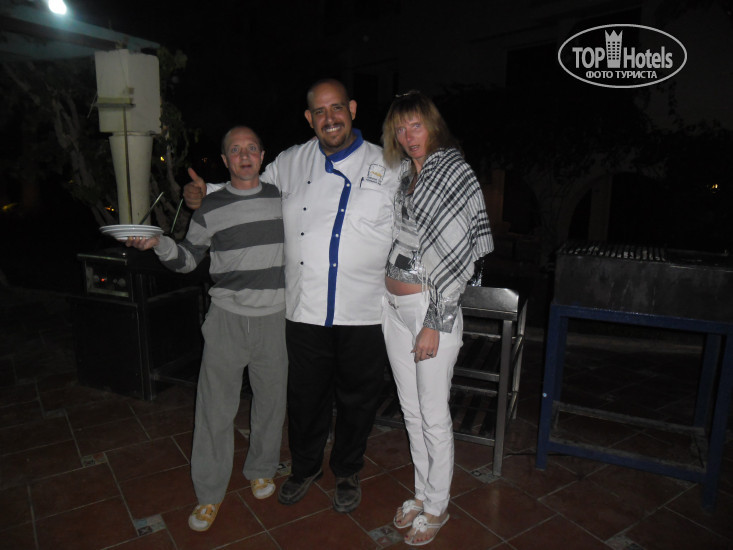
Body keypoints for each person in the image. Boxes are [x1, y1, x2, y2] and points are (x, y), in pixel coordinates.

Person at [184, 79, 400, 513]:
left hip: (364, 309)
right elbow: (247, 188)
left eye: (336, 108)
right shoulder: (290, 161)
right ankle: (304, 469)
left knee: (357, 400)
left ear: (352, 109)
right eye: (319, 111)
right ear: (309, 119)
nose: (329, 118)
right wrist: (204, 192)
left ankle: (347, 471)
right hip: (304, 308)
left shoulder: (388, 165)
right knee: (304, 399)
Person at [128, 126, 288, 532]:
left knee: (272, 403)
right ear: (225, 160)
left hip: (275, 318)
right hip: (226, 319)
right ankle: (209, 493)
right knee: (215, 410)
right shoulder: (211, 207)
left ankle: (262, 468)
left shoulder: (284, 199)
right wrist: (160, 243)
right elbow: (187, 260)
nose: (244, 156)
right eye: (235, 150)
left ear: (263, 155)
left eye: (251, 148)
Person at [380, 91, 493, 546]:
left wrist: (434, 320)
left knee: (433, 414)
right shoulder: (408, 175)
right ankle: (422, 493)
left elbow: (459, 256)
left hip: (431, 311)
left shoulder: (452, 171)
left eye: (416, 125)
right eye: (400, 128)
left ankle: (438, 505)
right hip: (393, 310)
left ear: (433, 125)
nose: (409, 136)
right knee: (410, 411)